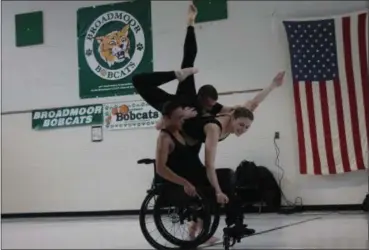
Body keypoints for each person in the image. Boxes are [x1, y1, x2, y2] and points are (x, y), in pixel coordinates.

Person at [155, 100, 255, 243]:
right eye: (179, 118)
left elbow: (252, 105)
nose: (183, 121)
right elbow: (160, 169)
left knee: (228, 176)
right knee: (213, 190)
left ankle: (234, 223)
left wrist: (272, 87)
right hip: (179, 181)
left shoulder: (184, 134)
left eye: (184, 118)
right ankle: (200, 228)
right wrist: (186, 183)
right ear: (166, 119)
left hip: (194, 174)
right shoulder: (165, 138)